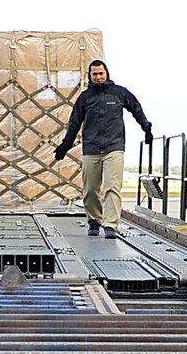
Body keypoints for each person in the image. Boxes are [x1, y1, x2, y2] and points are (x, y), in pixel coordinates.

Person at [54, 59, 151, 236]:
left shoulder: (119, 93)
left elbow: (136, 110)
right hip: (91, 149)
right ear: (90, 76)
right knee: (90, 189)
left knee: (111, 186)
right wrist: (64, 146)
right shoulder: (85, 98)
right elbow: (74, 123)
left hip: (114, 147)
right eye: (95, 74)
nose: (98, 77)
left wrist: (146, 129)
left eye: (101, 73)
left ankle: (110, 225)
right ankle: (94, 220)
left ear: (106, 73)